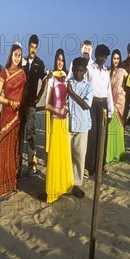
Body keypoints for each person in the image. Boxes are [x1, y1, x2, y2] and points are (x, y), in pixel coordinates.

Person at [0, 43, 26, 199]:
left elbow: (24, 95)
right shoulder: (4, 73)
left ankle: (12, 184)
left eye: (19, 55)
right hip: (7, 115)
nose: (17, 58)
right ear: (10, 55)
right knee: (5, 150)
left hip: (18, 116)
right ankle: (3, 187)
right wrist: (9, 102)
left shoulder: (22, 73)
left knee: (15, 150)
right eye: (15, 54)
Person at [44, 49, 74, 203]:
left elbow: (68, 98)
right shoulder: (52, 79)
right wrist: (59, 110)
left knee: (65, 154)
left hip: (65, 122)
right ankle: (54, 189)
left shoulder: (66, 78)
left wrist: (67, 107)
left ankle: (64, 186)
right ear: (55, 61)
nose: (60, 62)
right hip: (56, 121)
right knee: (56, 156)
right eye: (58, 60)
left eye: (62, 60)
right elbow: (46, 104)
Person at [85, 45, 114, 175]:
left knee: (103, 135)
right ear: (96, 55)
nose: (103, 59)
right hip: (92, 104)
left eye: (105, 57)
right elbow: (84, 88)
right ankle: (90, 166)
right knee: (92, 135)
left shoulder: (106, 73)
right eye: (101, 56)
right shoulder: (89, 69)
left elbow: (109, 92)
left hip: (103, 105)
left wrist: (111, 111)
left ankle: (100, 166)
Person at [22, 34, 48, 176]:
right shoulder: (21, 60)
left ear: (37, 48)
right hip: (19, 103)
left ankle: (32, 165)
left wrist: (39, 97)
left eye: (35, 47)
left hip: (31, 103)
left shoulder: (40, 63)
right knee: (19, 134)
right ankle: (17, 164)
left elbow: (44, 81)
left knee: (31, 134)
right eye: (31, 46)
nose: (33, 49)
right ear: (28, 46)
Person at [67, 57, 93, 198]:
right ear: (72, 70)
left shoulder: (88, 86)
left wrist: (72, 93)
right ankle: (65, 181)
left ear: (85, 71)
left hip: (82, 125)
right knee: (66, 155)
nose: (78, 73)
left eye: (81, 71)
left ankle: (76, 184)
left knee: (79, 155)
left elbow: (86, 105)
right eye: (76, 70)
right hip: (68, 124)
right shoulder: (67, 83)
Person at [105, 49, 127, 164]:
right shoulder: (108, 72)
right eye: (114, 58)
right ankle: (111, 153)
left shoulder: (123, 71)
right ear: (111, 59)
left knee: (118, 126)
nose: (116, 61)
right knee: (110, 128)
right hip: (111, 101)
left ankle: (119, 153)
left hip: (120, 102)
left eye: (118, 58)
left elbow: (129, 84)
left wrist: (124, 93)